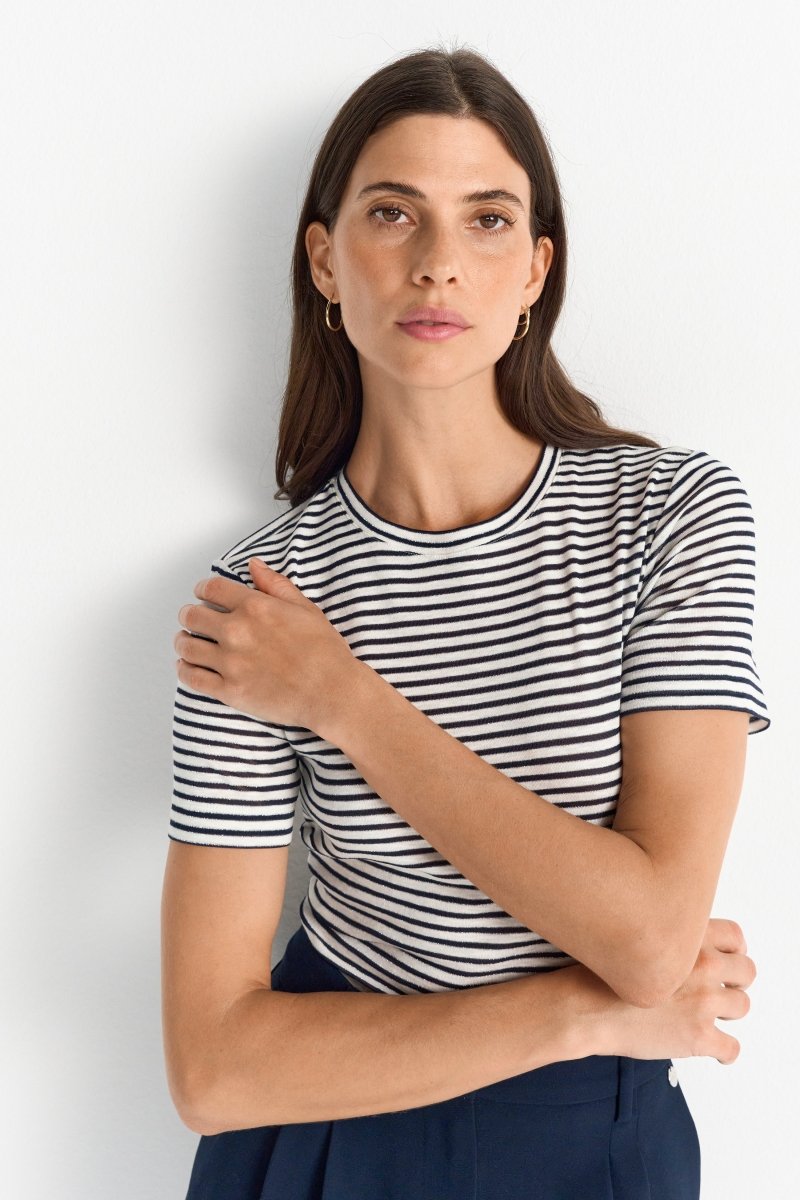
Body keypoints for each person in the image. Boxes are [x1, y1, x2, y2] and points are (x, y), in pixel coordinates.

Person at [160, 44, 770, 1200]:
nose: (437, 263)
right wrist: (585, 1015)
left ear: (536, 268)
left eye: (486, 220)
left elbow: (650, 941)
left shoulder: (670, 515)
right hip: (333, 1127)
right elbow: (215, 1071)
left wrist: (347, 703)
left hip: (592, 1144)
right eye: (392, 213)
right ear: (324, 259)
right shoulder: (256, 603)